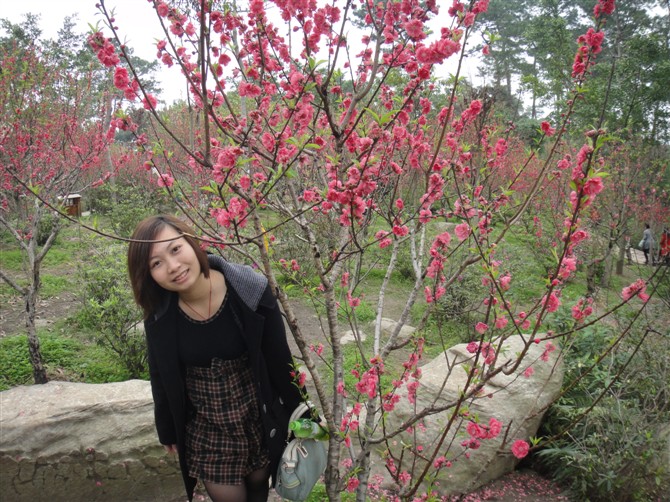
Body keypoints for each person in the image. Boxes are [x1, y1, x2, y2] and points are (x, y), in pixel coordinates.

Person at [127, 215, 305, 502]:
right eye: (156, 263)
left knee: (258, 485)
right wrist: (167, 428)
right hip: (207, 424)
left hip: (255, 414)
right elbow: (160, 372)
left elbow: (279, 358)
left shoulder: (249, 290)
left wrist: (302, 414)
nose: (173, 266)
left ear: (192, 241)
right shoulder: (160, 313)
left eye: (175, 249)